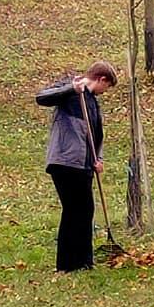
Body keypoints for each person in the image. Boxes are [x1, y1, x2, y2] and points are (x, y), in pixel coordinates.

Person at [36, 60, 117, 272]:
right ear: (101, 79)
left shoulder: (92, 102)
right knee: (73, 210)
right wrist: (71, 88)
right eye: (106, 87)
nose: (104, 92)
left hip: (83, 165)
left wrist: (97, 159)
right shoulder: (71, 90)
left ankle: (84, 261)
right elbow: (41, 98)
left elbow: (95, 135)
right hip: (65, 161)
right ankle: (66, 264)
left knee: (85, 210)